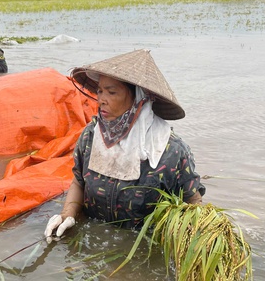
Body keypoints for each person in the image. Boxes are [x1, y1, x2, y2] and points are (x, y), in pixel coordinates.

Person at [45, 49, 205, 241]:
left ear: (138, 98)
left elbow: (193, 203)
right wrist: (67, 215)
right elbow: (79, 181)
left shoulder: (170, 150)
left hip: (144, 246)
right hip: (97, 237)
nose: (101, 100)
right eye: (100, 91)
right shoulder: (90, 136)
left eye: (111, 92)